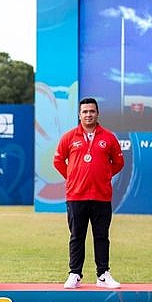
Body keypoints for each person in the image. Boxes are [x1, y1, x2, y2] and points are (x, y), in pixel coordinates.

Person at [53, 97, 124, 289]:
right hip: (76, 196)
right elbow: (58, 161)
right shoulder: (69, 137)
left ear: (97, 113)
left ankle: (103, 275)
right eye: (85, 111)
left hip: (101, 195)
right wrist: (73, 177)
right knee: (77, 236)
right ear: (79, 114)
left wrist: (104, 175)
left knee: (101, 236)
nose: (88, 114)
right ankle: (75, 274)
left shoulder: (109, 137)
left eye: (92, 111)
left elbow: (118, 163)